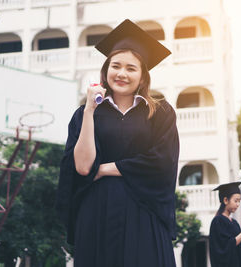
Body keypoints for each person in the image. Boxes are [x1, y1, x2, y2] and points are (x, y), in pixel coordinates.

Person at [55, 19, 179, 267]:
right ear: (106, 70)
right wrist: (90, 110)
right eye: (116, 66)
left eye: (131, 68)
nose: (122, 73)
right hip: (97, 212)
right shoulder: (84, 114)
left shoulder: (160, 112)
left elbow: (162, 163)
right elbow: (81, 167)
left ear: (143, 76)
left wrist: (103, 169)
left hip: (144, 212)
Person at [209, 181, 241, 267]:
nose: (238, 204)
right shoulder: (218, 221)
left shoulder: (234, 222)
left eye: (239, 201)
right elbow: (225, 249)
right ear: (225, 200)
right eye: (236, 201)